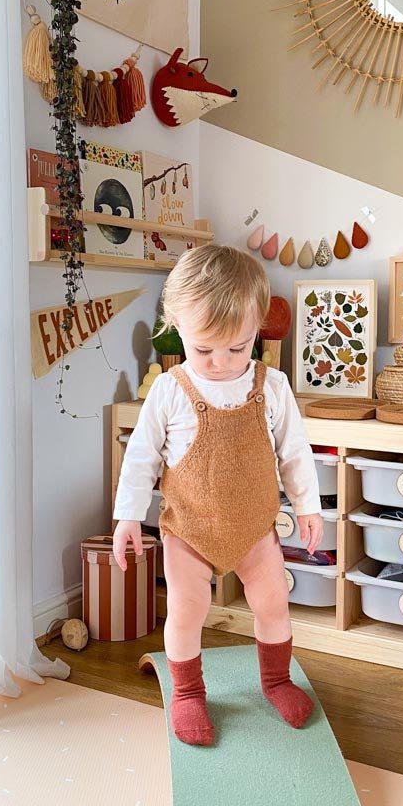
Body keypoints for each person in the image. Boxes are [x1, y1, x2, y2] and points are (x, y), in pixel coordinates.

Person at [112, 245, 323, 747]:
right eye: (204, 349)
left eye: (238, 347)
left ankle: (276, 680)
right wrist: (126, 518)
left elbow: (295, 451)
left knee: (273, 603)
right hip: (189, 530)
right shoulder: (169, 390)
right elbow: (140, 459)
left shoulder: (272, 387)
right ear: (176, 328)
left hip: (255, 527)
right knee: (187, 611)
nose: (222, 362)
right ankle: (188, 693)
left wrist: (308, 506)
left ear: (257, 331)